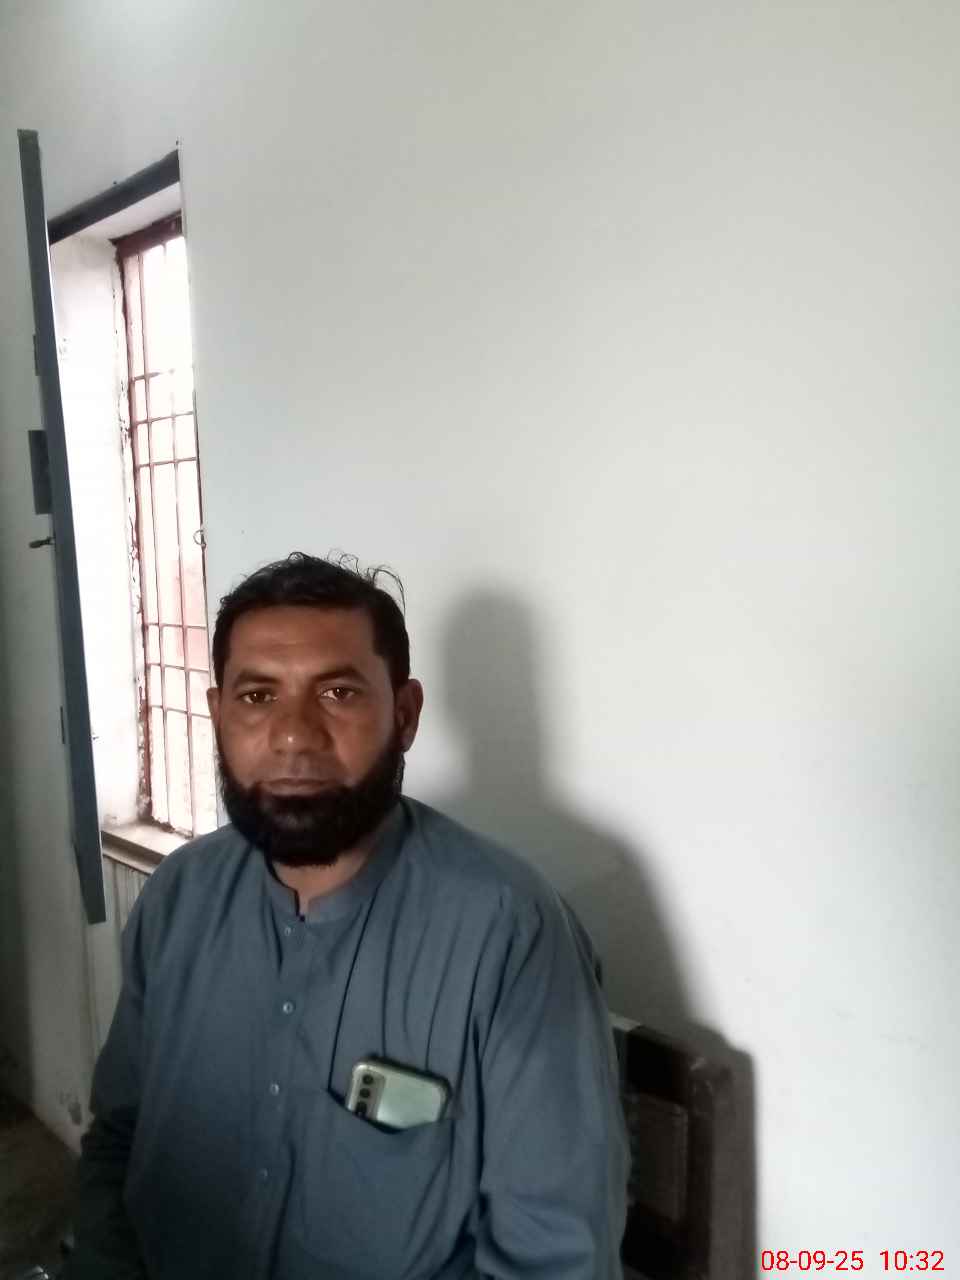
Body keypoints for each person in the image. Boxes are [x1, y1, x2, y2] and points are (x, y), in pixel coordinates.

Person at [65, 552, 629, 1279]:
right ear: (218, 714)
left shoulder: (509, 934)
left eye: (337, 692)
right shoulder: (178, 898)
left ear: (405, 715)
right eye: (257, 695)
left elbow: (555, 1258)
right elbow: (118, 1140)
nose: (294, 735)